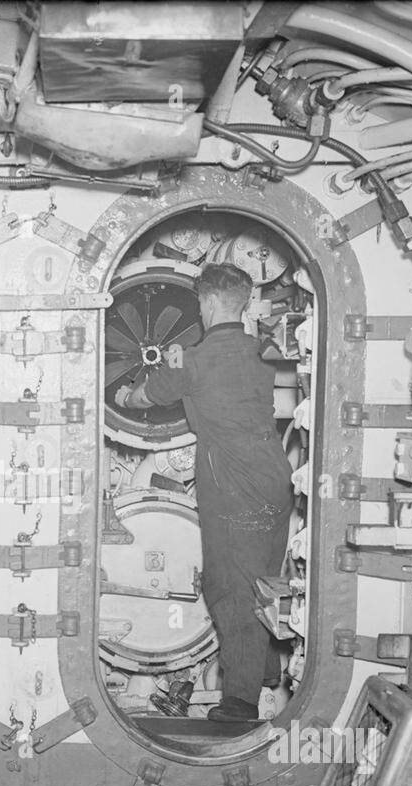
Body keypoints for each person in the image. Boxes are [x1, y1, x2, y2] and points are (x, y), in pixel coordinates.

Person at [114, 263, 291, 728]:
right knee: (266, 581)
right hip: (276, 477)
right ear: (246, 302)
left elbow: (137, 401)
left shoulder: (192, 359)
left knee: (231, 590)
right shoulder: (265, 352)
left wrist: (132, 388)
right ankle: (267, 674)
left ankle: (240, 703)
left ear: (207, 302)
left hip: (233, 487)